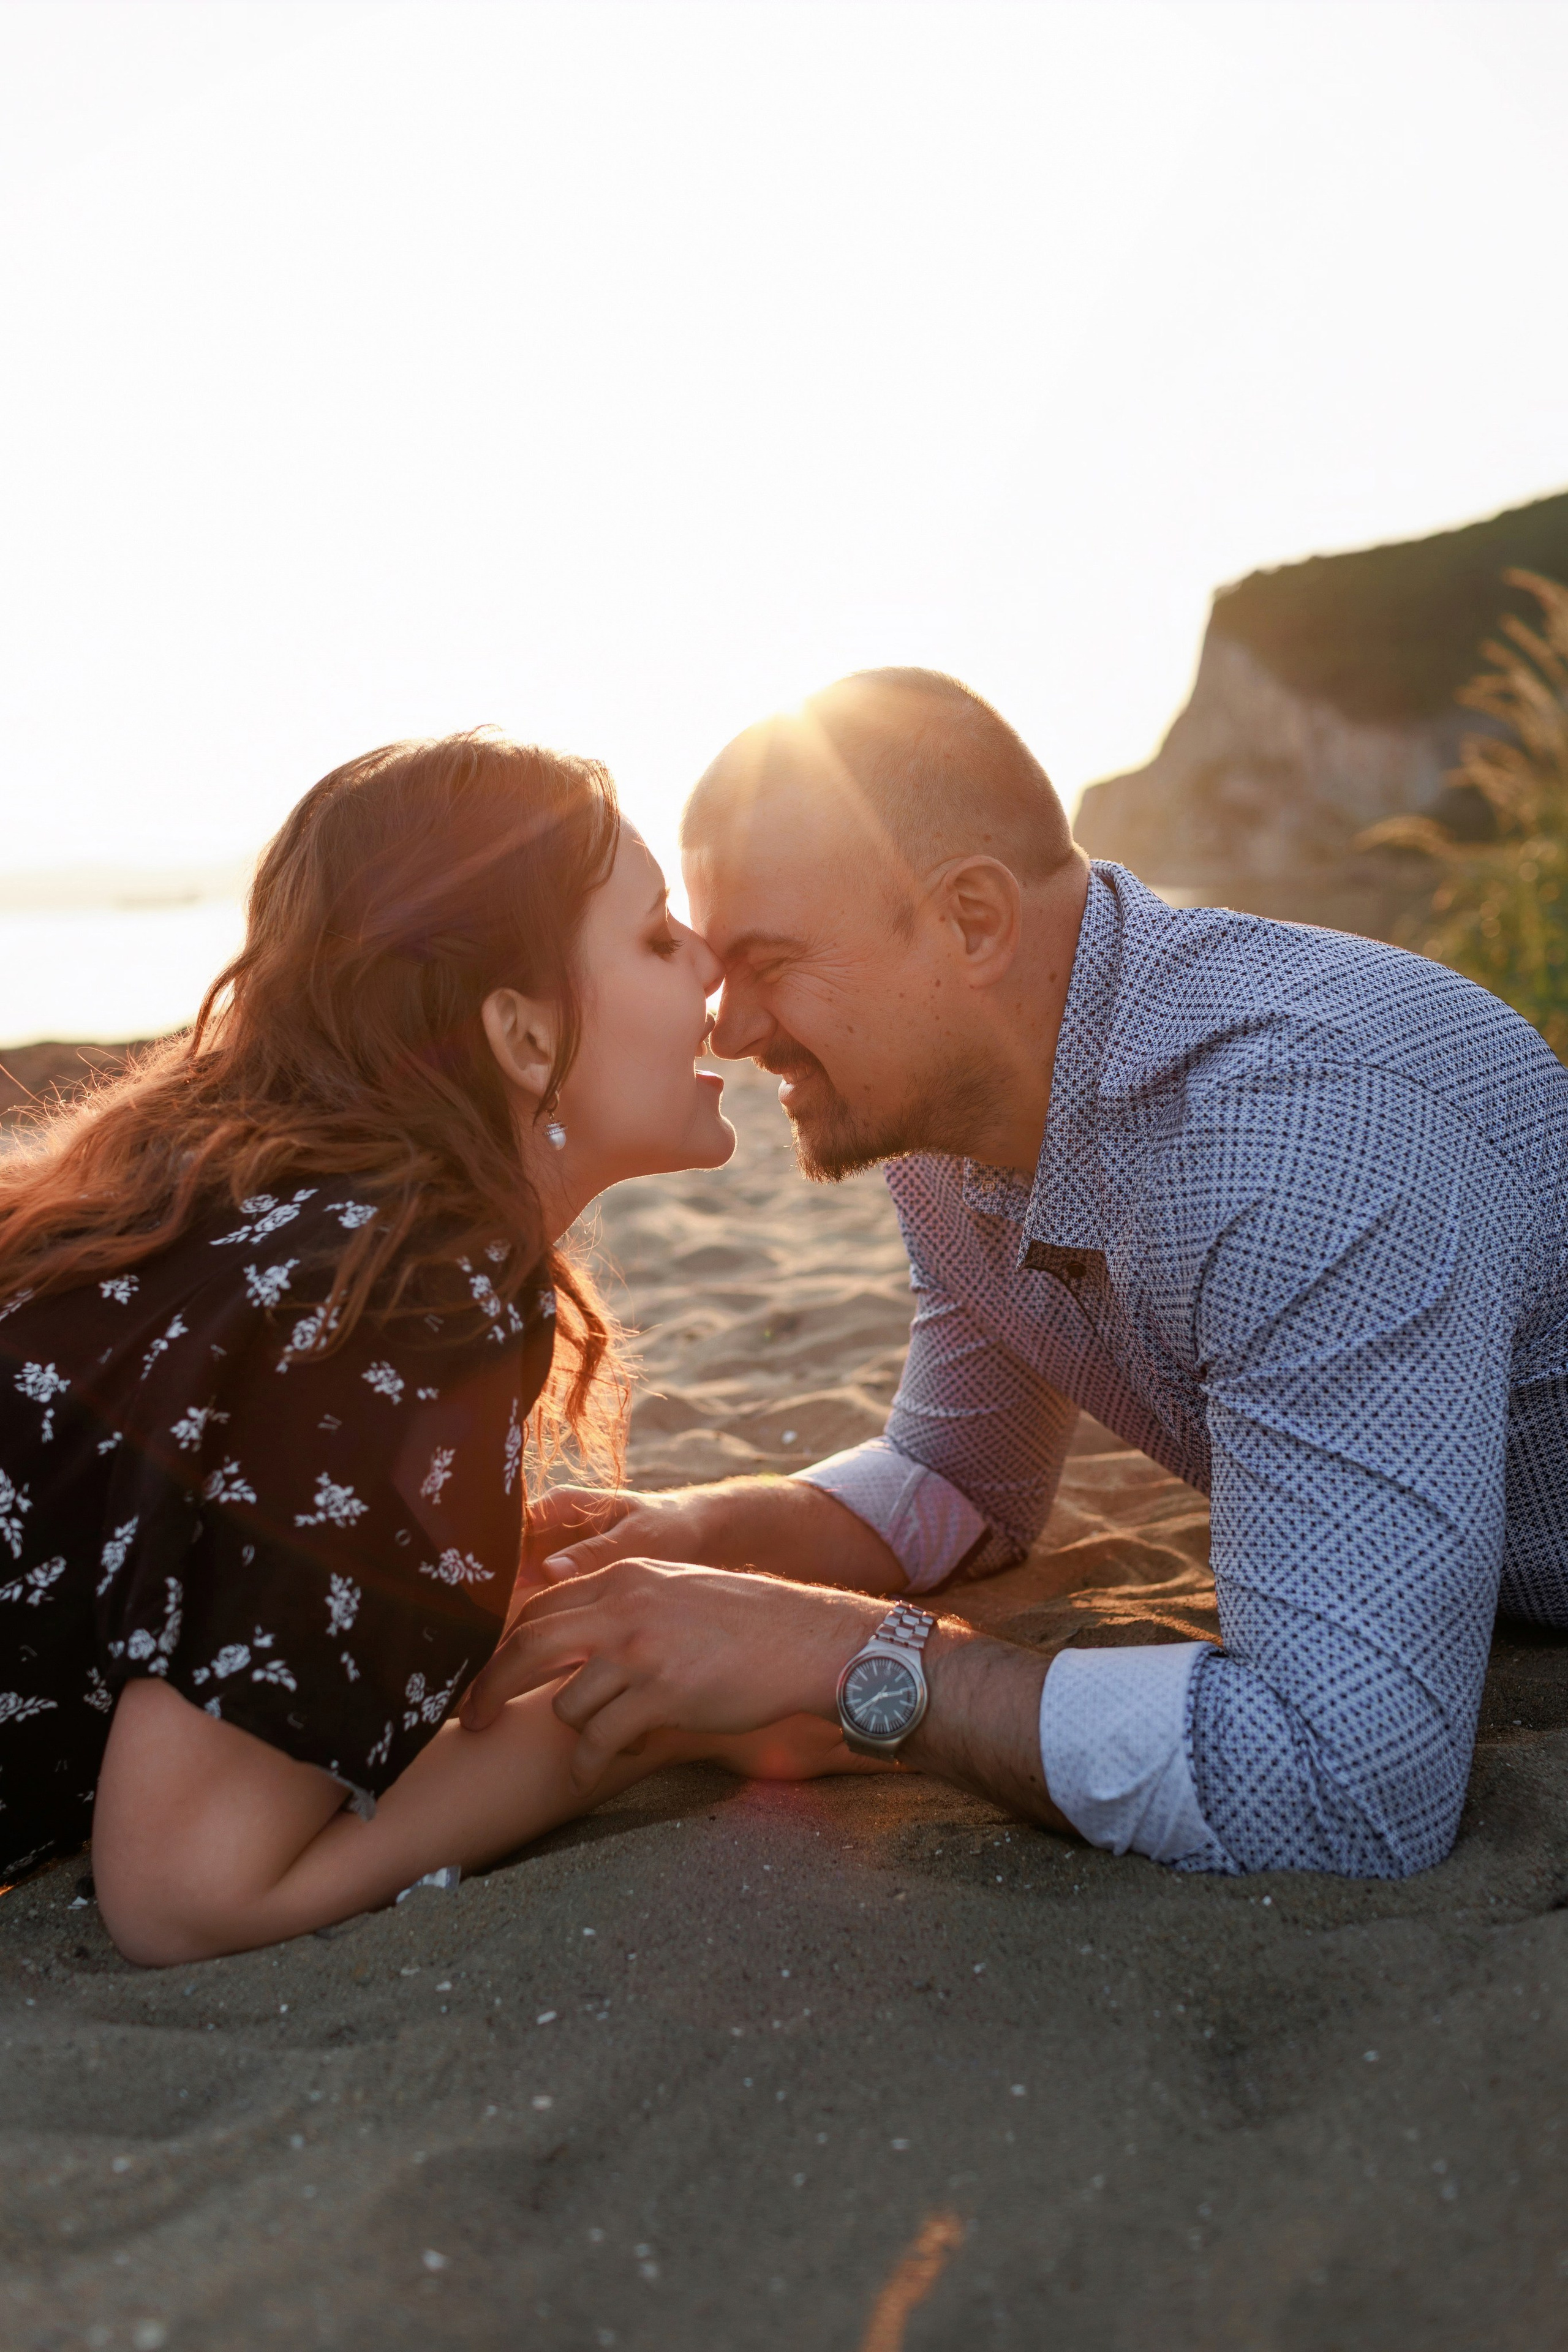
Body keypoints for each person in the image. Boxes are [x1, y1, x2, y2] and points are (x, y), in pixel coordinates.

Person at [462, 666, 1568, 1881]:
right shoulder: (952, 1112)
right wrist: (711, 1529)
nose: (726, 1029)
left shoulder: (1292, 1151)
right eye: (714, 965)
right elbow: (963, 1480)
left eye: (768, 961)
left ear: (972, 922)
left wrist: (851, 1658)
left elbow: (1341, 1788)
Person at [0, 732, 851, 1965]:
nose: (711, 963)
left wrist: (459, 1608)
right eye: (659, 937)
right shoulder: (402, 1292)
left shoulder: (249, 1208)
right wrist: (637, 1730)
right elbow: (184, 1888)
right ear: (520, 1036)